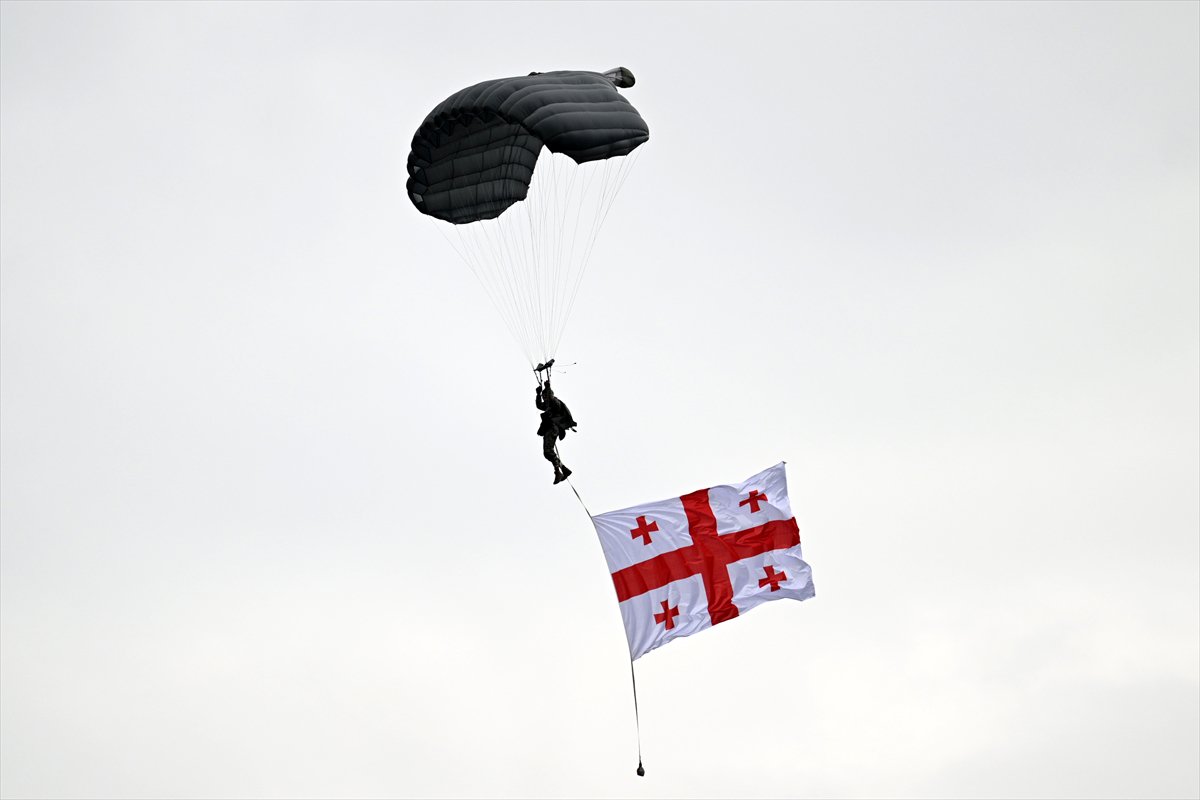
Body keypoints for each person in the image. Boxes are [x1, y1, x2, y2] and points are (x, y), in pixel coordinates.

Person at [536, 378, 577, 485]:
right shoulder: (547, 405)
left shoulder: (555, 402)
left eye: (546, 396)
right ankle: (564, 469)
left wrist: (547, 387)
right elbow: (539, 405)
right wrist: (538, 394)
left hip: (553, 428)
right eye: (543, 397)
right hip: (549, 428)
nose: (544, 398)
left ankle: (558, 472)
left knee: (548, 451)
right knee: (547, 453)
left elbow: (550, 398)